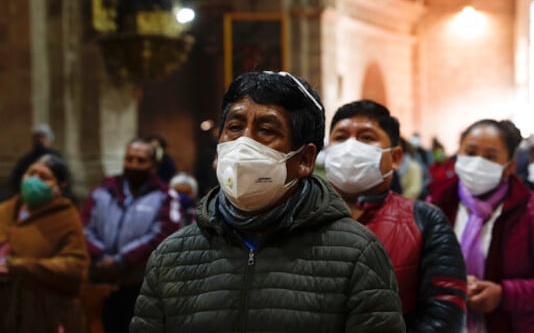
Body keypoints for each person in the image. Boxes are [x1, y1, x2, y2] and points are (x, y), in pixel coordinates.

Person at [130, 71, 405, 332]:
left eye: (266, 130)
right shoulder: (172, 256)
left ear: (305, 159)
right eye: (235, 127)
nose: (244, 143)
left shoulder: (356, 254)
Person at [324, 99, 467, 332]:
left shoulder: (426, 220)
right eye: (340, 138)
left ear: (396, 157)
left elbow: (445, 311)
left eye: (366, 138)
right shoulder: (300, 216)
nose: (350, 147)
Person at [427, 119, 534, 333]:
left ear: (509, 166)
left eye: (490, 157)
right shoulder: (436, 205)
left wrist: (503, 294)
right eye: (470, 152)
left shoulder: (528, 211)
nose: (477, 163)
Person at [81, 137, 182, 333]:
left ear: (153, 166)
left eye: (141, 160)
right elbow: (84, 227)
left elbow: (163, 234)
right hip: (102, 279)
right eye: (130, 159)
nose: (134, 165)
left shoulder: (165, 196)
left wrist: (122, 260)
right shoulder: (103, 191)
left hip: (141, 285)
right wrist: (102, 257)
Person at [0, 154, 89, 332]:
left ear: (60, 187)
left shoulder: (65, 218)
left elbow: (74, 267)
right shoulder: (6, 210)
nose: (34, 181)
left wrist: (20, 266)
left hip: (43, 312)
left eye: (44, 177)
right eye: (31, 174)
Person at [6, 124, 62, 198]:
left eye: (42, 137)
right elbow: (15, 180)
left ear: (50, 140)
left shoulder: (58, 160)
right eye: (36, 138)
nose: (39, 141)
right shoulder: (26, 160)